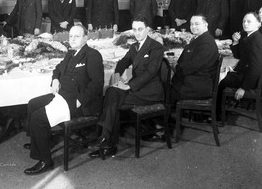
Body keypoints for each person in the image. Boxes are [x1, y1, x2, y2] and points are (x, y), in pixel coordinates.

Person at [23, 24, 104, 175]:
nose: (72, 39)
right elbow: (58, 69)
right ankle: (38, 142)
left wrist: (80, 100)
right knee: (32, 104)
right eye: (71, 36)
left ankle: (45, 160)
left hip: (77, 102)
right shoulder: (70, 53)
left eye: (77, 36)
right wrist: (55, 80)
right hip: (62, 95)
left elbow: (97, 84)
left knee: (38, 118)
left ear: (85, 38)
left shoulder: (92, 55)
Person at [89, 16, 164, 158]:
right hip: (138, 89)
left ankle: (107, 141)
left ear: (147, 29)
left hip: (149, 92)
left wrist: (129, 85)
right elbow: (123, 62)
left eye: (140, 29)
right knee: (112, 93)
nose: (137, 33)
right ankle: (107, 141)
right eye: (135, 30)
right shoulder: (134, 46)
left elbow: (150, 72)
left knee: (112, 96)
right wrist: (117, 76)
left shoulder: (156, 47)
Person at [218, 12, 262, 113]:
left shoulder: (257, 40)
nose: (245, 24)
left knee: (219, 80)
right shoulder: (250, 36)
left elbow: (256, 68)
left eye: (249, 21)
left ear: (258, 23)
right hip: (244, 74)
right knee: (220, 75)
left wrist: (243, 88)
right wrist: (235, 42)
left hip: (250, 80)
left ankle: (217, 113)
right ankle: (219, 110)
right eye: (244, 21)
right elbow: (238, 56)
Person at [171, 15, 219, 102]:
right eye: (191, 24)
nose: (193, 27)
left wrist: (175, 67)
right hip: (195, 81)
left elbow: (192, 66)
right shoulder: (200, 39)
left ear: (205, 25)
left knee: (163, 88)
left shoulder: (206, 43)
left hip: (197, 87)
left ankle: (168, 113)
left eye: (197, 24)